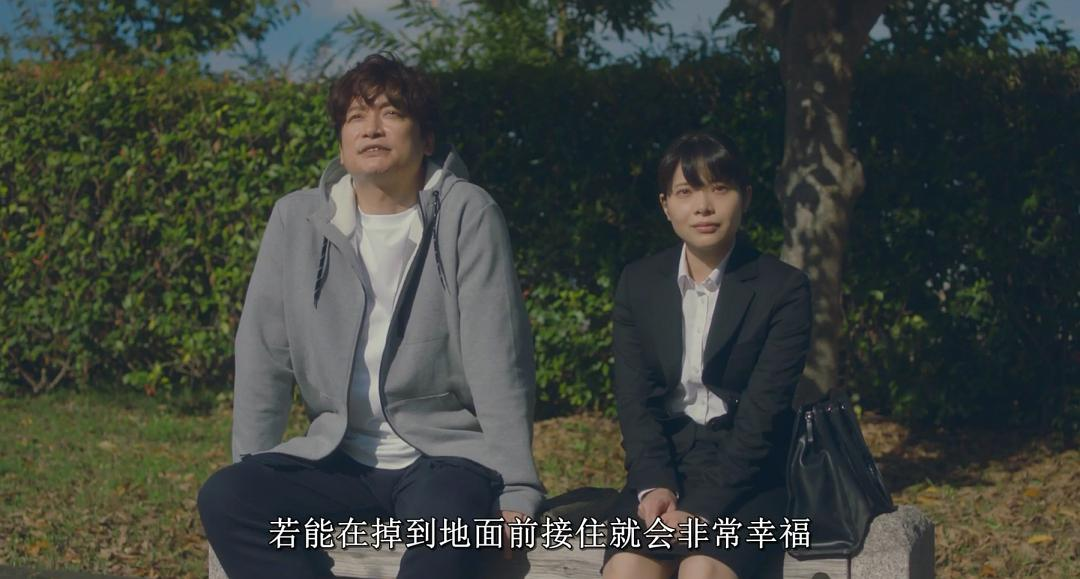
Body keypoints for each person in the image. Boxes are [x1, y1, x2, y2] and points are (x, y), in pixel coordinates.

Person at [197, 53, 543, 579]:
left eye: (392, 113)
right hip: (336, 458)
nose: (372, 128)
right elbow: (264, 352)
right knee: (228, 496)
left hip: (442, 458)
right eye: (356, 116)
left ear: (427, 138)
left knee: (450, 530)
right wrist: (257, 462)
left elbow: (498, 356)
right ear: (341, 142)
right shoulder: (296, 219)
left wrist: (517, 488)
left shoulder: (467, 212)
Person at [602, 132, 811, 579]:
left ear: (745, 198)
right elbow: (636, 402)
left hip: (750, 478)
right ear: (665, 205)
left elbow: (764, 415)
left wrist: (702, 509)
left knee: (702, 570)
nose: (703, 206)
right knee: (626, 569)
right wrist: (654, 485)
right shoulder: (639, 283)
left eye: (720, 188)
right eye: (686, 191)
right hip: (668, 466)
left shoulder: (783, 289)